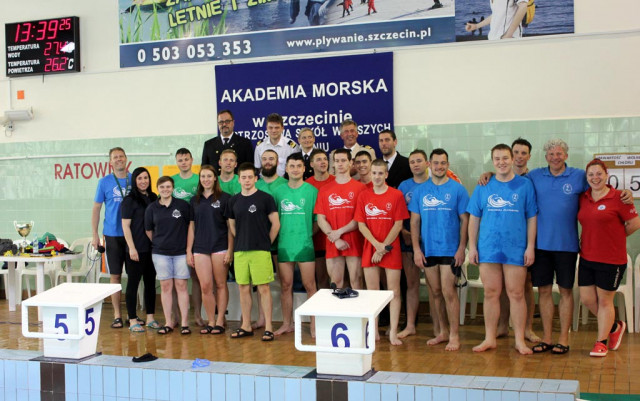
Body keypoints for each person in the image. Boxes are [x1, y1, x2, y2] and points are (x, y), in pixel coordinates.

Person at [467, 144, 537, 355]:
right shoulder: (484, 185)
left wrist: (530, 247)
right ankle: (490, 338)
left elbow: (531, 217)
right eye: (497, 159)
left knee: (516, 294)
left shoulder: (525, 185)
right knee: (491, 293)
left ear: (512, 158)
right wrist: (472, 246)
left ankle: (519, 340)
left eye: (505, 158)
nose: (501, 162)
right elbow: (474, 218)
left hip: (515, 248)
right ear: (492, 161)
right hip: (488, 248)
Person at [577, 159, 640, 357]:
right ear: (587, 178)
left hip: (611, 260)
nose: (595, 178)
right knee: (587, 299)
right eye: (591, 175)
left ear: (606, 175)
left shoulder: (619, 198)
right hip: (587, 257)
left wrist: (615, 237)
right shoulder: (583, 197)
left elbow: (634, 223)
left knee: (605, 301)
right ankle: (614, 326)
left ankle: (601, 342)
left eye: (599, 174)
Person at [409, 149, 469, 351]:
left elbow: (465, 220)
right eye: (436, 163)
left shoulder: (458, 190)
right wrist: (417, 250)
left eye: (443, 163)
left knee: (448, 291)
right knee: (435, 292)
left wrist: (462, 248)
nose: (439, 167)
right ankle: (442, 331)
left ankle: (454, 335)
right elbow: (414, 222)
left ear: (448, 164)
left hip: (450, 250)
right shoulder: (420, 191)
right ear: (429, 164)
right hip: (429, 248)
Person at [355, 159, 409, 345]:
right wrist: (376, 245)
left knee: (394, 291)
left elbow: (398, 224)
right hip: (371, 247)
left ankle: (393, 331)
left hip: (390, 247)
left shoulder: (396, 195)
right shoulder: (364, 196)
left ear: (386, 175)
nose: (377, 176)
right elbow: (361, 225)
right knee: (372, 292)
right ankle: (374, 329)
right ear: (370, 174)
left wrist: (384, 247)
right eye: (374, 173)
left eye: (380, 173)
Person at [227, 162, 280, 341]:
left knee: (264, 288)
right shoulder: (234, 200)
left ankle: (269, 327)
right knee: (243, 288)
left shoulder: (265, 198)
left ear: (256, 178)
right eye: (244, 177)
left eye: (250, 177)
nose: (247, 180)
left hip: (260, 250)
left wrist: (266, 242)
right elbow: (232, 225)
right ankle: (246, 325)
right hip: (240, 251)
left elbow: (276, 224)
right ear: (239, 179)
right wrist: (242, 238)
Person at [496, 138, 539, 343]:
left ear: (529, 156)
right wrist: (486, 175)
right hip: (503, 244)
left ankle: (527, 329)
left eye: (524, 153)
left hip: (527, 240)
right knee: (504, 286)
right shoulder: (497, 178)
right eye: (517, 152)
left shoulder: (534, 179)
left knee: (525, 286)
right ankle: (503, 325)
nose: (520, 156)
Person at [273, 153, 318, 336]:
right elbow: (274, 220)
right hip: (284, 245)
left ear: (304, 168)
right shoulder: (278, 192)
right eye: (292, 166)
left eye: (299, 166)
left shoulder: (312, 191)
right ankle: (286, 323)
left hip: (305, 245)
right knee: (285, 285)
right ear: (286, 169)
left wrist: (306, 236)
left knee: (310, 286)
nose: (295, 169)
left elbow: (317, 221)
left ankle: (315, 326)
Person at [187, 165, 233, 335]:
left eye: (209, 176)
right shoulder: (195, 200)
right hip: (200, 247)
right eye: (203, 176)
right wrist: (188, 251)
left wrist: (230, 250)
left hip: (220, 246)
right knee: (205, 286)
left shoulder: (226, 198)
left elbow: (230, 227)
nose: (205, 179)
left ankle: (220, 320)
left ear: (215, 178)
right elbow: (191, 227)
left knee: (220, 284)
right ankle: (211, 320)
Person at [144, 176, 192, 335]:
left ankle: (185, 323)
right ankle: (169, 322)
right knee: (166, 287)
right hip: (160, 253)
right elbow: (149, 231)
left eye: (168, 187)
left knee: (181, 286)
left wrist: (187, 249)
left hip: (180, 253)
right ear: (158, 188)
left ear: (173, 188)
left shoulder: (183, 205)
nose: (165, 190)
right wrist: (161, 243)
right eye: (162, 187)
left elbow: (190, 227)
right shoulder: (152, 208)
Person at [91, 147, 132, 329]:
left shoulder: (136, 179)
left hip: (133, 236)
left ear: (126, 159)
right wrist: (95, 234)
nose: (118, 159)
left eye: (121, 156)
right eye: (115, 157)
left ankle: (132, 314)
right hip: (112, 235)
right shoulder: (104, 182)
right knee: (115, 276)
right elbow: (96, 209)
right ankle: (117, 315)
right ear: (110, 162)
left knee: (133, 276)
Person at [315, 148, 366, 289]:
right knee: (336, 283)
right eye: (337, 161)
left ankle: (358, 311)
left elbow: (359, 218)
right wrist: (336, 238)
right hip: (333, 241)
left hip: (353, 240)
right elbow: (321, 219)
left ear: (351, 163)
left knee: (356, 281)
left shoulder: (360, 188)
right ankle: (338, 312)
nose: (340, 164)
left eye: (343, 160)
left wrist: (340, 231)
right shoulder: (325, 189)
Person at [397, 150, 430, 339]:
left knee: (437, 286)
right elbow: (397, 213)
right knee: (411, 284)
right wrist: (403, 232)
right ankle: (410, 325)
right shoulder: (404, 186)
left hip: (432, 239)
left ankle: (441, 327)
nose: (415, 164)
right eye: (412, 162)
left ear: (427, 163)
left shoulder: (435, 183)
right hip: (408, 238)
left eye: (419, 161)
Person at [121, 167, 159, 332]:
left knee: (151, 284)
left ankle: (150, 317)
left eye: (146, 178)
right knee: (133, 284)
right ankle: (132, 319)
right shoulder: (129, 200)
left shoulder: (153, 197)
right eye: (140, 178)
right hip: (135, 249)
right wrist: (132, 248)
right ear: (135, 181)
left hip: (152, 249)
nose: (143, 181)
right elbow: (125, 226)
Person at [171, 148, 204, 327]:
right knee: (177, 278)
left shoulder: (199, 180)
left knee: (196, 278)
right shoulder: (172, 181)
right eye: (180, 160)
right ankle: (176, 316)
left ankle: (198, 315)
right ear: (177, 162)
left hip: (197, 233)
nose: (183, 162)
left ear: (192, 160)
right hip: (176, 234)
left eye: (186, 159)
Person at [306, 149, 335, 289]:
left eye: (325, 159)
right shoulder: (307, 185)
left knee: (341, 280)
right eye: (318, 159)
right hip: (316, 240)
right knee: (322, 280)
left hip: (336, 238)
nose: (323, 162)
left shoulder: (336, 181)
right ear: (311, 164)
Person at [254, 113, 300, 177]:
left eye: (277, 128)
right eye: (270, 127)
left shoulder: (292, 147)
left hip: (285, 184)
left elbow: (297, 168)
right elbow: (257, 168)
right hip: (265, 184)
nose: (273, 130)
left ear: (282, 128)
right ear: (266, 128)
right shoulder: (260, 146)